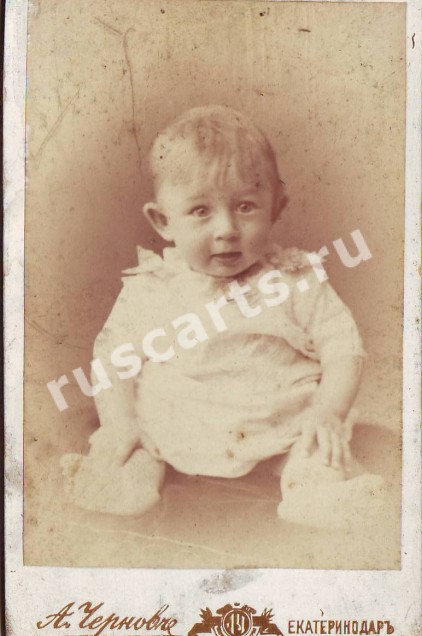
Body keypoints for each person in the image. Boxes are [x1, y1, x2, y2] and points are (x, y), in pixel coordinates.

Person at [61, 105, 384, 528]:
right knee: (131, 454)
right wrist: (120, 422)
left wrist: (328, 410)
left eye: (246, 206)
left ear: (276, 207)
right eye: (201, 211)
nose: (227, 229)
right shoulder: (153, 288)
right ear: (163, 221)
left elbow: (343, 346)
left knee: (317, 453)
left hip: (281, 423)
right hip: (174, 423)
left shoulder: (294, 278)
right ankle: (123, 484)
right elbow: (113, 360)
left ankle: (316, 492)